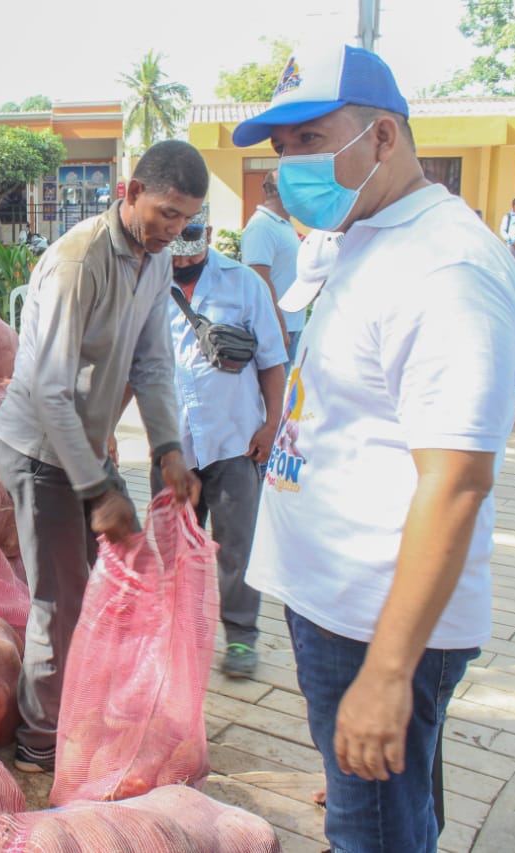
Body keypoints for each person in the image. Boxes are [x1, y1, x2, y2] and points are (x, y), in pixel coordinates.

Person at [232, 44, 515, 852]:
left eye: (312, 137)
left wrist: (390, 673)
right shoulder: (369, 235)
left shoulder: (448, 271)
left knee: (370, 833)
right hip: (337, 604)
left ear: (385, 139)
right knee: (392, 815)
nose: (292, 161)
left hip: (376, 622)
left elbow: (459, 481)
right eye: (283, 146)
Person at [0, 139, 205, 774]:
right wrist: (98, 490)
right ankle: (40, 738)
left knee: (116, 578)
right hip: (37, 446)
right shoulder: (77, 261)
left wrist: (167, 447)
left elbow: (153, 362)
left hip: (86, 445)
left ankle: (89, 704)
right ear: (130, 191)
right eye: (166, 212)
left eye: (187, 219)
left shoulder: (155, 259)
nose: (175, 230)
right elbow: (47, 391)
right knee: (61, 599)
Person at [162, 202, 287, 679]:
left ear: (208, 232)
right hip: (173, 446)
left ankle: (240, 637)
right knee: (174, 547)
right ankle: (179, 636)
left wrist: (271, 423)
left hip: (236, 440)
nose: (179, 258)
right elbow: (136, 366)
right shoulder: (147, 284)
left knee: (237, 547)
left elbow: (273, 360)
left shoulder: (243, 284)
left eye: (190, 241)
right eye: (173, 246)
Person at [241, 170, 303, 364]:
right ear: (277, 191)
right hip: (278, 329)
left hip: (292, 325)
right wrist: (279, 328)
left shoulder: (283, 224)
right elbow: (259, 281)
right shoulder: (262, 226)